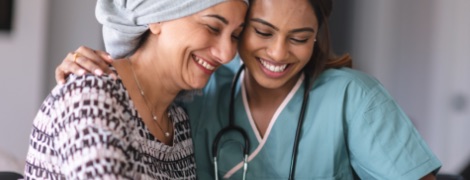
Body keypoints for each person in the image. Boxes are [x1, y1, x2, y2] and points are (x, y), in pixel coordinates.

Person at [54, 0, 442, 179]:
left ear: (317, 40)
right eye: (260, 31)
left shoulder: (353, 99)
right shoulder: (202, 92)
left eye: (300, 38)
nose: (277, 53)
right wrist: (95, 72)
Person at [24, 0, 248, 179]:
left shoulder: (178, 124)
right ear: (157, 17)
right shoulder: (90, 97)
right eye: (212, 27)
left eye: (236, 35)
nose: (227, 53)